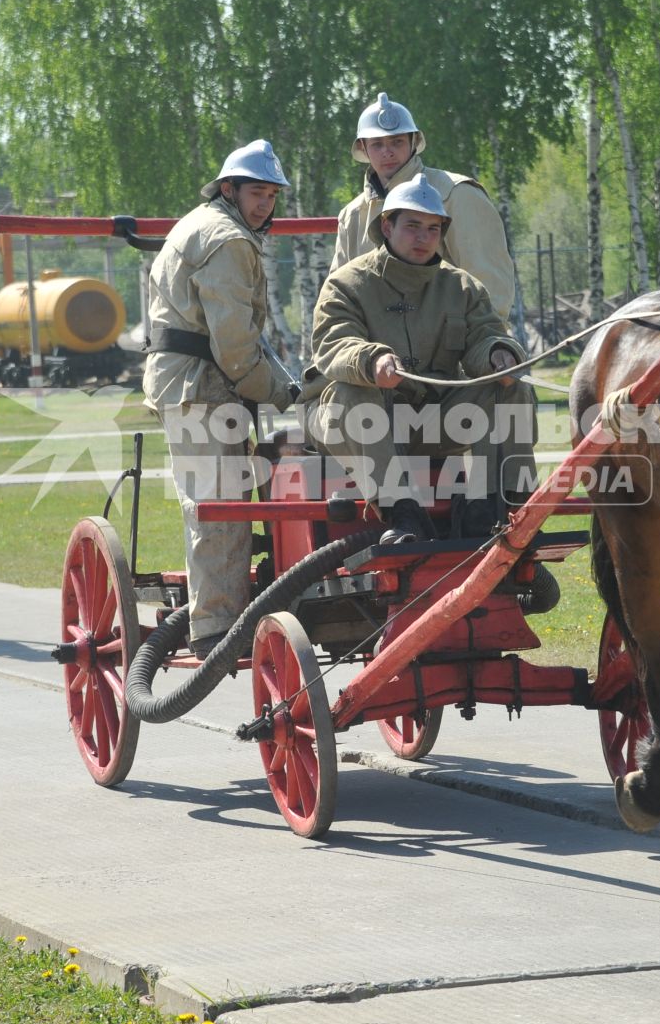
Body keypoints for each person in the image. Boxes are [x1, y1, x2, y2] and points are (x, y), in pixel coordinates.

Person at [305, 177, 534, 545]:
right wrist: (373, 361)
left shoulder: (462, 287)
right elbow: (334, 343)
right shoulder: (346, 283)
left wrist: (498, 354)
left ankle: (494, 509)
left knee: (509, 390)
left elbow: (485, 335)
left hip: (431, 421)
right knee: (355, 392)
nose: (423, 237)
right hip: (354, 421)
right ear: (386, 226)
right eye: (412, 226)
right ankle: (403, 514)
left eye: (432, 229)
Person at [144, 139, 301, 659]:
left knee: (222, 504)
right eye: (257, 193)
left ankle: (229, 613)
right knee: (220, 509)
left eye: (272, 195)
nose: (265, 205)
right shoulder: (228, 239)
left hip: (195, 385)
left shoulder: (205, 225)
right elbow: (236, 350)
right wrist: (287, 393)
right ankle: (215, 629)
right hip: (201, 387)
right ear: (229, 189)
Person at [331, 92, 518, 315]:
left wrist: (484, 343)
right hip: (373, 347)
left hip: (453, 343)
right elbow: (338, 299)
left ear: (414, 142)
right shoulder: (352, 216)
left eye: (397, 141)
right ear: (363, 147)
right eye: (377, 144)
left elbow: (491, 289)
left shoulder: (457, 195)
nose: (387, 151)